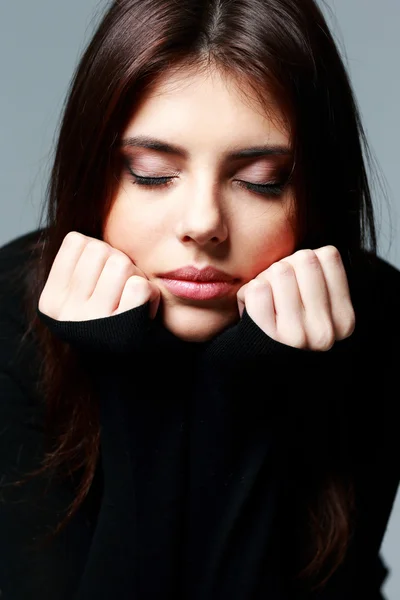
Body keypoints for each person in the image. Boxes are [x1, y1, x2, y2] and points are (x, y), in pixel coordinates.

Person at [0, 0, 398, 598]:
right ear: (93, 176)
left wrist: (249, 386)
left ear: (316, 190)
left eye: (260, 180)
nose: (204, 223)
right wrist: (134, 383)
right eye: (152, 172)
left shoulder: (376, 319)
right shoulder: (9, 314)